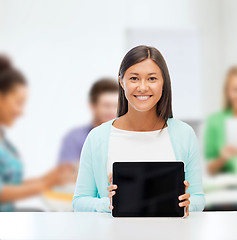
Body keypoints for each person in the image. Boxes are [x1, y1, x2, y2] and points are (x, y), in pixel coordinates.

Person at [73, 45, 205, 216]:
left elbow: (198, 198)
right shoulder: (98, 137)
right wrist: (110, 204)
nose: (143, 87)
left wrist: (188, 203)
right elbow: (79, 201)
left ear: (163, 82)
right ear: (121, 81)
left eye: (152, 79)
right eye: (134, 78)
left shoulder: (184, 134)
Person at [0, 55, 74, 211]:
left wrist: (50, 177)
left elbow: (11, 184)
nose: (21, 112)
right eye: (18, 103)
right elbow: (2, 192)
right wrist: (46, 184)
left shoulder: (4, 142)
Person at [58, 78, 118, 165]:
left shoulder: (126, 136)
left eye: (116, 106)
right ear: (93, 106)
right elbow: (66, 173)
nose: (112, 111)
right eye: (106, 106)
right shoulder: (75, 138)